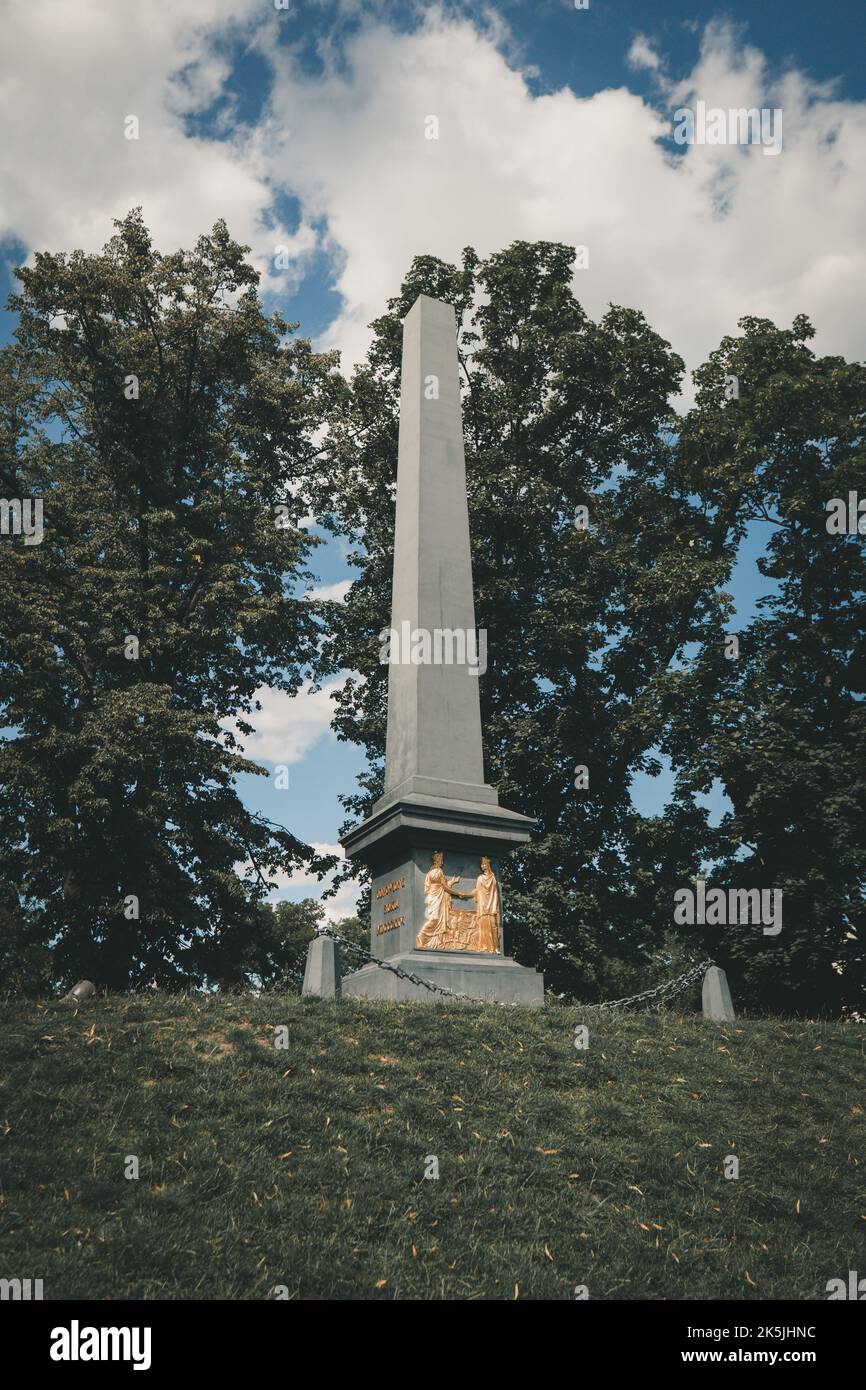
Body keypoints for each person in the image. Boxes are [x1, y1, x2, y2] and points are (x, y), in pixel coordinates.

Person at [415, 851, 461, 949]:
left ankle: (436, 943)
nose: (442, 862)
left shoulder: (430, 872)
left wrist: (452, 882)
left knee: (436, 919)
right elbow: (445, 887)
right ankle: (421, 936)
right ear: (438, 860)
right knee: (434, 919)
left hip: (433, 897)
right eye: (441, 860)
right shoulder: (439, 871)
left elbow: (440, 885)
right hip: (436, 897)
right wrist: (458, 893)